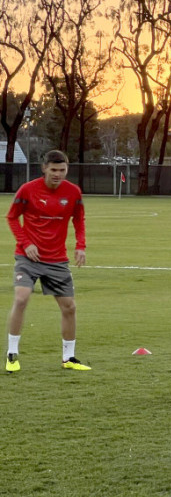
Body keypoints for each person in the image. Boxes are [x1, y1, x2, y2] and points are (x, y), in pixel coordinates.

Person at [6, 150, 90, 372]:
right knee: (21, 298)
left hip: (57, 259)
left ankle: (69, 358)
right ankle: (12, 354)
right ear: (44, 168)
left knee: (69, 307)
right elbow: (12, 217)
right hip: (28, 257)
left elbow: (79, 220)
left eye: (62, 170)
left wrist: (80, 246)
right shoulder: (27, 190)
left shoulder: (73, 192)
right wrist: (26, 243)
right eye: (53, 170)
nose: (57, 174)